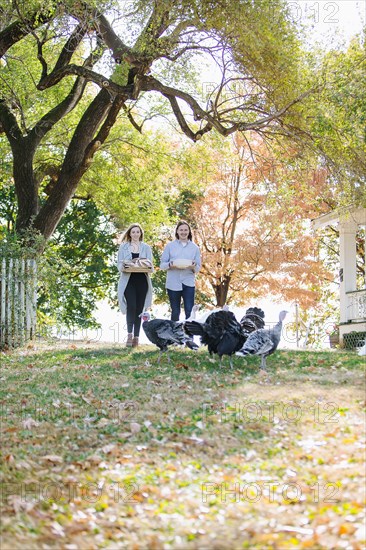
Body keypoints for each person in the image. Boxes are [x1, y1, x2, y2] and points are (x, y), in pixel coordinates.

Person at [117, 223, 153, 347]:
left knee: (139, 309)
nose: (136, 234)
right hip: (128, 281)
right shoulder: (123, 247)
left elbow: (150, 266)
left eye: (138, 232)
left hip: (142, 281)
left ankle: (136, 337)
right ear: (129, 234)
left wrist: (141, 264)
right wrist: (127, 264)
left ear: (141, 234)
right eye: (133, 232)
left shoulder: (146, 248)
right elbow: (119, 265)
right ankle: (129, 335)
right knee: (131, 306)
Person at [160, 220, 201, 321]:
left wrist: (193, 266)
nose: (183, 232)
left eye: (186, 230)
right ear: (177, 231)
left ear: (189, 232)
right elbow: (162, 265)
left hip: (188, 283)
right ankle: (174, 336)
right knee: (175, 311)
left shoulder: (194, 248)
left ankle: (189, 336)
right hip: (173, 283)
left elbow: (198, 268)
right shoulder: (170, 246)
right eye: (181, 230)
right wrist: (170, 264)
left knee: (189, 311)